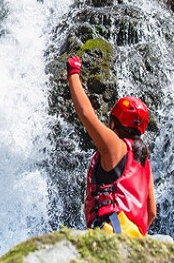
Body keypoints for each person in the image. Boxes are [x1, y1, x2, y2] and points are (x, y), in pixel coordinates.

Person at [65, 54, 156, 236]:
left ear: (114, 124)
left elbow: (86, 114)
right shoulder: (143, 159)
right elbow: (151, 212)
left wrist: (73, 74)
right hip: (137, 240)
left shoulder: (115, 146)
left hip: (111, 235)